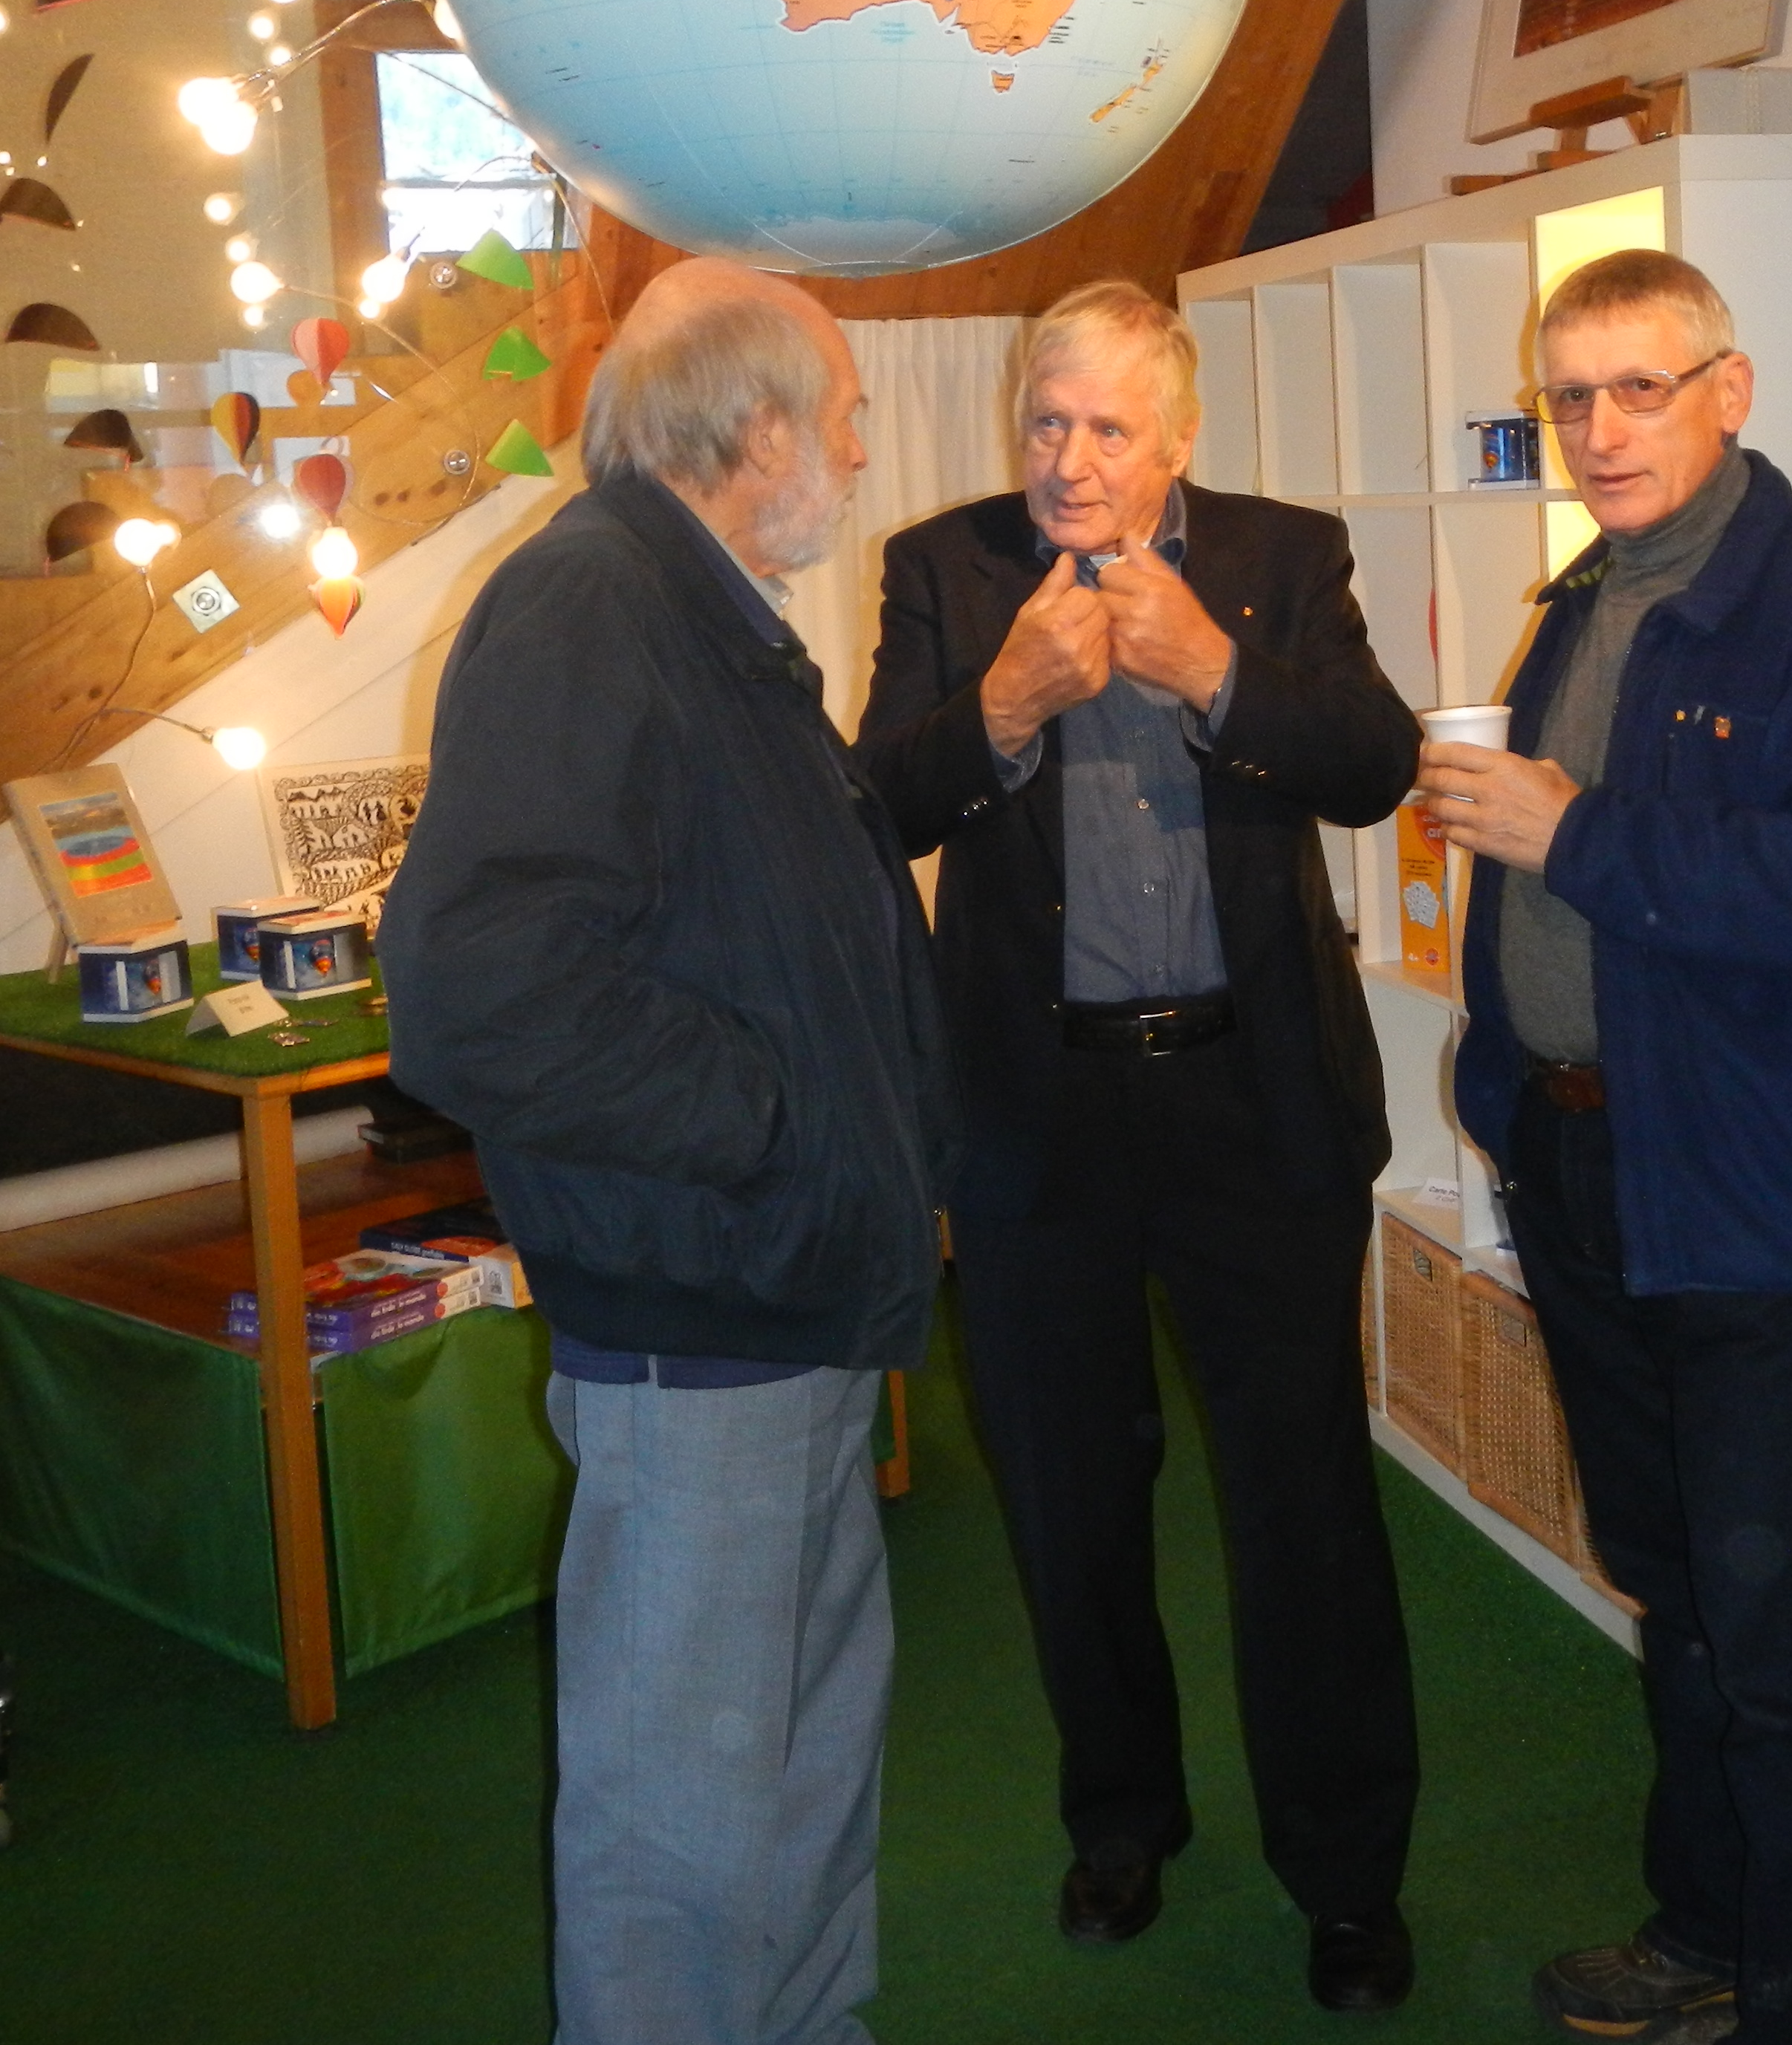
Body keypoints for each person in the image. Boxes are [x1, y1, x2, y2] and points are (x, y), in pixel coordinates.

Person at [386, 259, 952, 2045]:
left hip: (785, 1295)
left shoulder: (701, 613)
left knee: (798, 1758)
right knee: (683, 1814)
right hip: (703, 1304)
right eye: (844, 416)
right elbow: (481, 992)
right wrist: (778, 1125)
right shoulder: (591, 604)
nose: (857, 452)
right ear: (759, 428)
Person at [855, 279, 1425, 2013]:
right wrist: (1003, 707)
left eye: (1109, 427)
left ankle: (1347, 1875)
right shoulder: (946, 570)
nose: (1070, 459)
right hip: (1041, 1122)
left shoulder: (1283, 556)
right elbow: (874, 805)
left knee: (1303, 1503)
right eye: (1047, 421)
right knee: (1068, 1498)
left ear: (1178, 438)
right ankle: (1120, 1821)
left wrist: (1219, 676)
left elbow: (1375, 764)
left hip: (1256, 1107)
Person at [1419, 248, 1792, 2045]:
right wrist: (1507, 1076)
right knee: (1678, 1588)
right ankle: (1710, 1925)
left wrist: (1572, 833)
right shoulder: (1587, 594)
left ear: (1732, 390)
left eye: (1640, 387)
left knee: (1791, 1636)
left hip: (1744, 1181)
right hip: (1584, 1166)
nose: (1600, 429)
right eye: (1572, 396)